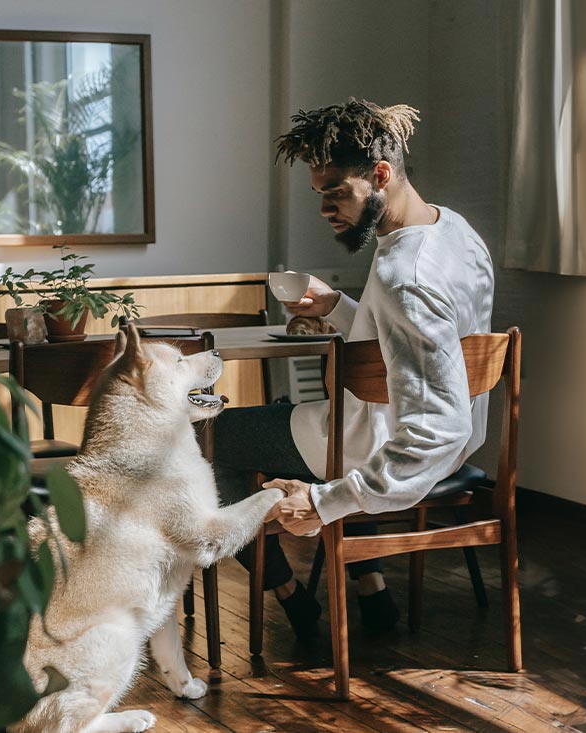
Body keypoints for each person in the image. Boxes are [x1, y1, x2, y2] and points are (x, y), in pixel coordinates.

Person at [210, 98, 495, 640]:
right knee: (277, 415)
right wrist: (339, 305)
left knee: (200, 436)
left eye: (336, 190)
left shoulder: (402, 274)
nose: (324, 209)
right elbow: (409, 346)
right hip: (439, 443)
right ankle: (369, 587)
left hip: (377, 446)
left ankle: (289, 595)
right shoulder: (455, 232)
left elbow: (437, 426)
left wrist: (322, 501)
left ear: (381, 174)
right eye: (318, 193)